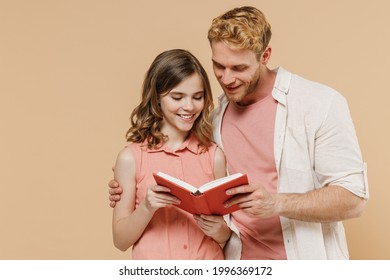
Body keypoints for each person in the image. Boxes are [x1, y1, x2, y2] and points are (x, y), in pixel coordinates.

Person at [109, 6, 369, 259]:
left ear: (265, 56)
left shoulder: (319, 103)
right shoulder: (213, 117)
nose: (227, 79)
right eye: (219, 66)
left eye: (239, 68)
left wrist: (277, 204)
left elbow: (353, 198)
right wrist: (132, 187)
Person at [112, 49, 232, 260]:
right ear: (157, 98)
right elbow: (120, 241)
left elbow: (226, 234)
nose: (189, 107)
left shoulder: (214, 156)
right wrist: (147, 207)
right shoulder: (131, 158)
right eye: (177, 97)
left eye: (198, 97)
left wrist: (217, 229)